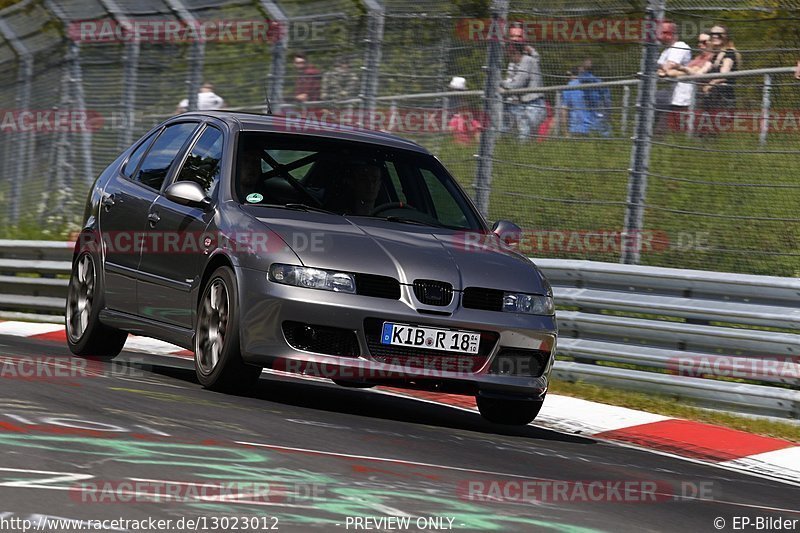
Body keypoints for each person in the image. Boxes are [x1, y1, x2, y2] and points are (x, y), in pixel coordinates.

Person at [666, 32, 713, 132]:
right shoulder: (697, 58)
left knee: (690, 126)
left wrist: (682, 70)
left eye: (704, 42)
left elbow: (696, 73)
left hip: (698, 96)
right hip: (682, 94)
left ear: (711, 43)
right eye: (699, 42)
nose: (700, 45)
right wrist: (685, 70)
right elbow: (674, 72)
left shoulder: (712, 58)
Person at [501, 42, 546, 140]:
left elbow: (518, 83)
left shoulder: (527, 61)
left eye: (509, 54)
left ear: (515, 52)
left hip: (534, 104)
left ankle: (521, 151)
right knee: (523, 133)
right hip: (526, 104)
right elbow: (511, 80)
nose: (508, 58)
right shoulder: (517, 64)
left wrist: (500, 83)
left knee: (525, 134)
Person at [654, 22, 691, 136]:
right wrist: (663, 70)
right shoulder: (667, 50)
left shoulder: (680, 46)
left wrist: (664, 70)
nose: (659, 36)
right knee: (658, 128)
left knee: (674, 132)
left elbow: (669, 66)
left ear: (672, 34)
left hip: (680, 97)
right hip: (669, 96)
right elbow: (659, 70)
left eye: (664, 32)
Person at [696, 25, 741, 111]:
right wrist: (681, 69)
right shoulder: (714, 56)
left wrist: (710, 84)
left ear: (726, 36)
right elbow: (701, 71)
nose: (715, 36)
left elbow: (723, 75)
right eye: (712, 34)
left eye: (719, 34)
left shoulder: (729, 53)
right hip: (710, 99)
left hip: (723, 99)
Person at [577, 59, 612, 136]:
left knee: (600, 124)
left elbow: (606, 96)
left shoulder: (590, 79)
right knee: (598, 126)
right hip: (592, 107)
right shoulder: (589, 79)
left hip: (597, 106)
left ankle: (605, 138)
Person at [446, 76, 481, 144]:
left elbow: (466, 113)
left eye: (458, 91)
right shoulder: (448, 100)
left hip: (462, 120)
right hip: (454, 121)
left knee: (475, 124)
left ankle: (476, 144)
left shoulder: (463, 101)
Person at [561, 69, 591, 137]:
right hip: (589, 127)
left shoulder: (567, 88)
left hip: (575, 128)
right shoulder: (588, 85)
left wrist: (565, 132)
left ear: (571, 76)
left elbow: (564, 111)